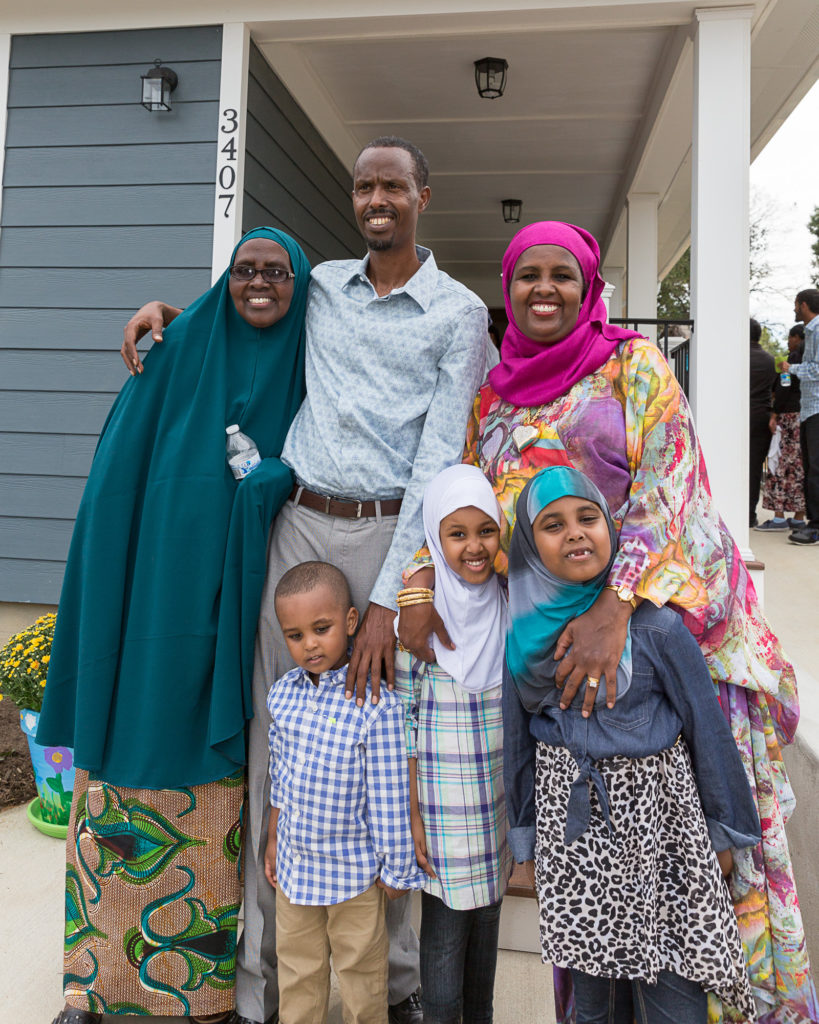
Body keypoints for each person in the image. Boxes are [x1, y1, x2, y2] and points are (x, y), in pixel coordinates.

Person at [399, 221, 817, 1023]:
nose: (544, 289)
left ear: (588, 286)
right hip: (552, 658)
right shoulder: (492, 396)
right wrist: (418, 579)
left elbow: (671, 494)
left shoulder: (635, 365)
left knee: (684, 881)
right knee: (593, 892)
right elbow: (468, 507)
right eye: (527, 276)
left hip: (659, 641)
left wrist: (615, 608)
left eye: (562, 274)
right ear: (508, 288)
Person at [120, 137, 489, 1024]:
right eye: (363, 186)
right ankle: (265, 988)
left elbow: (441, 458)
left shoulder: (459, 312)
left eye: (392, 185)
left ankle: (390, 983)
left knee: (381, 756)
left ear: (422, 197)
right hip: (295, 533)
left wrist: (389, 597)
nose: (376, 199)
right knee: (278, 750)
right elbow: (246, 304)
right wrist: (167, 313)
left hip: (389, 540)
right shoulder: (320, 283)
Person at [37, 228, 311, 1024]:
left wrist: (272, 481)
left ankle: (202, 996)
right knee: (119, 790)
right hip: (149, 604)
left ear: (299, 285)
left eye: (277, 273)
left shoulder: (309, 362)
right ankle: (91, 985)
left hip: (247, 613)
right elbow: (113, 490)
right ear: (225, 281)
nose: (260, 283)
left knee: (216, 808)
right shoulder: (174, 353)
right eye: (245, 272)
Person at [503, 464, 760, 1024]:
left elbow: (707, 732)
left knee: (673, 991)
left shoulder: (657, 630)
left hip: (662, 837)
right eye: (552, 525)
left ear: (611, 530)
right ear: (526, 546)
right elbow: (518, 749)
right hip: (575, 846)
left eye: (587, 517)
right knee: (594, 1001)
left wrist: (722, 832)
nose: (574, 532)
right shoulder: (522, 642)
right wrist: (523, 847)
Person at [264, 561, 424, 1024]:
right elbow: (279, 774)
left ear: (350, 622)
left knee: (360, 971)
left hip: (354, 873)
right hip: (296, 870)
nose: (309, 644)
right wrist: (275, 836)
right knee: (299, 969)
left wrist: (398, 866)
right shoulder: (283, 695)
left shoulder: (374, 702)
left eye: (321, 628)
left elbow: (390, 795)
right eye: (295, 635)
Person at [393, 465, 512, 1024]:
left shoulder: (508, 601)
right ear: (435, 540)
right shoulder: (417, 624)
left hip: (494, 807)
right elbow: (404, 724)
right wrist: (410, 813)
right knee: (441, 940)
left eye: (485, 530)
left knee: (486, 928)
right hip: (439, 813)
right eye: (456, 533)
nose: (474, 546)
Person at [758, 324, 806, 530]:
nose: (788, 342)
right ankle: (798, 516)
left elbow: (784, 390)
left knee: (779, 464)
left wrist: (775, 414)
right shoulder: (811, 359)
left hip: (788, 418)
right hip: (806, 417)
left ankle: (778, 517)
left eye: (791, 337)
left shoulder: (792, 360)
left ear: (798, 338)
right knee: (801, 467)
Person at [783, 289, 819, 545]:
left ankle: (815, 527)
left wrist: (790, 368)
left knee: (815, 469)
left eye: (796, 305)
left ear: (803, 305)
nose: (794, 309)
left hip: (817, 408)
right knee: (810, 469)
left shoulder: (817, 330)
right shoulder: (811, 331)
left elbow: (817, 369)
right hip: (810, 409)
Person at [748, 317, 777, 527]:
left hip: (738, 418)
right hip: (761, 418)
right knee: (755, 468)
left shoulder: (738, 357)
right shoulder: (769, 359)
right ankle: (750, 514)